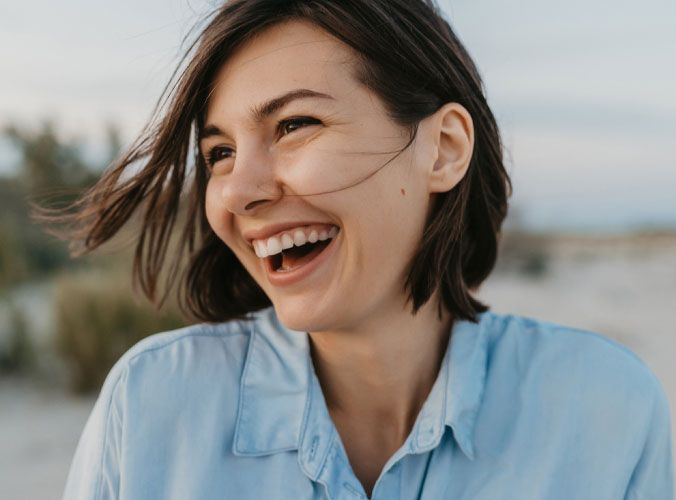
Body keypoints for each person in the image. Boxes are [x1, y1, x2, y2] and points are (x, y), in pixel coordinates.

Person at [53, 1, 673, 499]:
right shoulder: (151, 406)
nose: (238, 191)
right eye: (220, 153)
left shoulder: (605, 411)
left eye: (295, 125)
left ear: (445, 147)